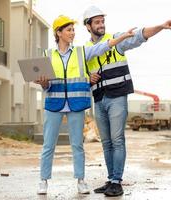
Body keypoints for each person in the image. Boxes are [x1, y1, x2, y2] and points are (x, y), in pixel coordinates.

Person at [34, 15, 136, 195]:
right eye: (69, 30)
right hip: (54, 104)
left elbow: (104, 46)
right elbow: (47, 85)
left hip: (76, 105)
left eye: (73, 30)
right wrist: (43, 83)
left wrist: (122, 37)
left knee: (77, 146)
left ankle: (80, 180)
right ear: (59, 33)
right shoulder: (47, 55)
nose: (73, 33)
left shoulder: (81, 52)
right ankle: (43, 181)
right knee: (48, 145)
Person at [83, 6, 171, 197]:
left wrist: (161, 26)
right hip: (99, 98)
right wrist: (88, 78)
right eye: (97, 22)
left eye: (102, 21)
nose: (101, 25)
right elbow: (81, 73)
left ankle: (117, 181)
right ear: (88, 26)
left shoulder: (117, 39)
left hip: (117, 96)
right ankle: (110, 180)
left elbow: (140, 35)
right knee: (106, 142)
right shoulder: (86, 50)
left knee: (117, 140)